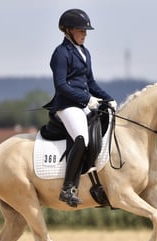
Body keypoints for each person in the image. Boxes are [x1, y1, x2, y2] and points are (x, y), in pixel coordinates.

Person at [47, 8, 117, 207]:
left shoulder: (84, 52)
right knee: (82, 138)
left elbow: (91, 83)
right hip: (67, 105)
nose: (85, 34)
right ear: (68, 30)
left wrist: (107, 98)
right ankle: (68, 188)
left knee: (105, 131)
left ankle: (100, 183)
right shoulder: (61, 53)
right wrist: (87, 99)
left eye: (85, 31)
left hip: (84, 103)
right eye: (80, 30)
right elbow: (61, 85)